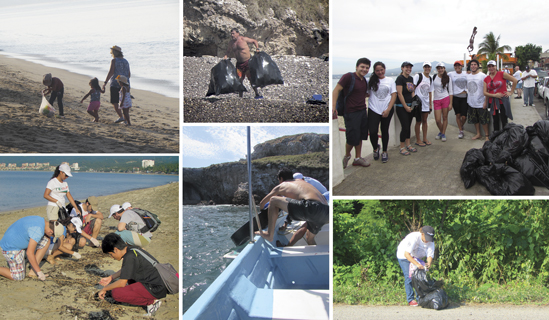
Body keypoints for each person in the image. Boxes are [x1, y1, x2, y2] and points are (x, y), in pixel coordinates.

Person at [97, 233, 165, 316]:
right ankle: (146, 296)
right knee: (129, 277)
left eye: (111, 254)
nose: (112, 257)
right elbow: (127, 269)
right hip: (157, 282)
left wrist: (105, 289)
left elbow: (122, 283)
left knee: (116, 293)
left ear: (116, 249)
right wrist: (111, 277)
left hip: (156, 288)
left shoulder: (129, 257)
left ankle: (153, 302)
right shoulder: (132, 249)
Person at [256, 168, 329, 245]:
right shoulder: (301, 182)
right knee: (309, 238)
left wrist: (262, 214)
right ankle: (314, 255)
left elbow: (262, 203)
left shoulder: (281, 185)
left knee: (273, 200)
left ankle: (269, 235)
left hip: (312, 207)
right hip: (326, 212)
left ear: (281, 178)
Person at [332, 58, 371, 168]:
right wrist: (333, 107)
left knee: (360, 135)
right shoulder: (348, 77)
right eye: (362, 67)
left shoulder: (364, 80)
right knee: (351, 137)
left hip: (362, 110)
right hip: (350, 112)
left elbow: (362, 94)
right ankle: (347, 155)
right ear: (357, 67)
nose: (364, 69)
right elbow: (336, 90)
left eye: (367, 68)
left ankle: (358, 158)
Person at [0, 216, 64, 281]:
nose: (51, 236)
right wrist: (39, 272)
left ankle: (32, 272)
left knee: (47, 240)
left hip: (15, 238)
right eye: (53, 235)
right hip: (10, 248)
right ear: (51, 231)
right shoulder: (37, 231)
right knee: (18, 277)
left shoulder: (42, 220)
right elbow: (29, 253)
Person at [396, 226, 436, 307]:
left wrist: (428, 264)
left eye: (430, 238)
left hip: (416, 257)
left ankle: (419, 298)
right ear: (422, 234)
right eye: (427, 237)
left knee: (419, 277)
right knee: (409, 277)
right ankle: (410, 299)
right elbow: (406, 254)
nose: (428, 240)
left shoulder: (431, 241)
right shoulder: (413, 237)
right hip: (404, 256)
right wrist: (417, 264)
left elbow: (430, 255)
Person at [368, 61, 397, 162]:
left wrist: (388, 109)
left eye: (381, 70)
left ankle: (385, 152)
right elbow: (366, 94)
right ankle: (376, 148)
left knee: (385, 131)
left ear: (384, 69)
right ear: (374, 71)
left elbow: (394, 95)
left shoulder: (390, 81)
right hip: (373, 109)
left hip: (387, 109)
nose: (380, 72)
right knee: (372, 131)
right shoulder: (371, 81)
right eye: (377, 70)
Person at [223, 28, 262, 98]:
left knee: (250, 79)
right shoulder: (231, 43)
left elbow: (254, 41)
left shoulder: (243, 39)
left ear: (238, 33)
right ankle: (240, 97)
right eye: (231, 34)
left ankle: (257, 94)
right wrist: (225, 56)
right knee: (239, 80)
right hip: (239, 64)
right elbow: (228, 51)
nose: (232, 35)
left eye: (233, 33)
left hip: (247, 63)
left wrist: (257, 48)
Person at [483, 60, 518, 132]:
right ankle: (496, 136)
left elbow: (514, 80)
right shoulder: (486, 79)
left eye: (493, 66)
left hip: (503, 100)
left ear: (496, 67)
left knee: (504, 119)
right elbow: (485, 92)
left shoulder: (502, 74)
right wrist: (494, 95)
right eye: (489, 66)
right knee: (495, 119)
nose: (491, 68)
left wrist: (511, 92)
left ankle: (506, 136)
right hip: (493, 102)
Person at [103, 45, 130, 123]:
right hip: (126, 84)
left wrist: (105, 82)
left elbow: (111, 72)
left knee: (115, 101)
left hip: (115, 83)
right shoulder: (126, 61)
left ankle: (121, 117)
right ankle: (126, 119)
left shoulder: (114, 60)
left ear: (114, 52)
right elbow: (129, 74)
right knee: (124, 101)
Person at [395, 61, 417, 155]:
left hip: (410, 106)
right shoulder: (400, 78)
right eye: (406, 67)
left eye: (410, 67)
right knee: (405, 126)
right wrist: (405, 106)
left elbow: (412, 92)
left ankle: (408, 145)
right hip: (401, 106)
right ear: (402, 68)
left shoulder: (411, 78)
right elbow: (399, 93)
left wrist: (413, 104)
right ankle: (402, 146)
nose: (408, 69)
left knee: (408, 126)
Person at [466, 59, 489, 141]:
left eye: (475, 64)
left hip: (481, 102)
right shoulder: (468, 76)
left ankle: (487, 135)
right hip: (471, 102)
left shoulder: (483, 76)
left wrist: (486, 102)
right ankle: (478, 134)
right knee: (475, 120)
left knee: (484, 120)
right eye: (471, 64)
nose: (473, 66)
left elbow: (487, 90)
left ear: (478, 66)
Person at [413, 62, 434, 147]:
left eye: (428, 67)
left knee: (425, 121)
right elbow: (412, 89)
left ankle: (424, 138)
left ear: (431, 68)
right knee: (418, 121)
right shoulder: (418, 76)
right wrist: (414, 103)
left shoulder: (430, 79)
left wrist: (430, 104)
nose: (427, 68)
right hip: (418, 103)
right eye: (425, 67)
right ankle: (418, 139)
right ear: (423, 68)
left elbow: (430, 92)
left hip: (425, 103)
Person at [432, 62, 453, 142]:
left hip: (445, 98)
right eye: (438, 68)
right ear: (437, 69)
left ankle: (443, 133)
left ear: (444, 69)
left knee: (444, 117)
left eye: (442, 68)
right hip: (436, 100)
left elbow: (450, 91)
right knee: (437, 120)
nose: (440, 70)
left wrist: (450, 103)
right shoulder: (434, 77)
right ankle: (441, 131)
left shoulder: (448, 78)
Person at [448, 61, 469, 139]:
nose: (457, 67)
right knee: (458, 115)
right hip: (455, 97)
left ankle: (461, 125)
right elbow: (442, 77)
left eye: (459, 65)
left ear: (461, 66)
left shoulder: (466, 73)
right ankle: (461, 130)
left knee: (464, 117)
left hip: (464, 97)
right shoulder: (451, 74)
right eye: (455, 66)